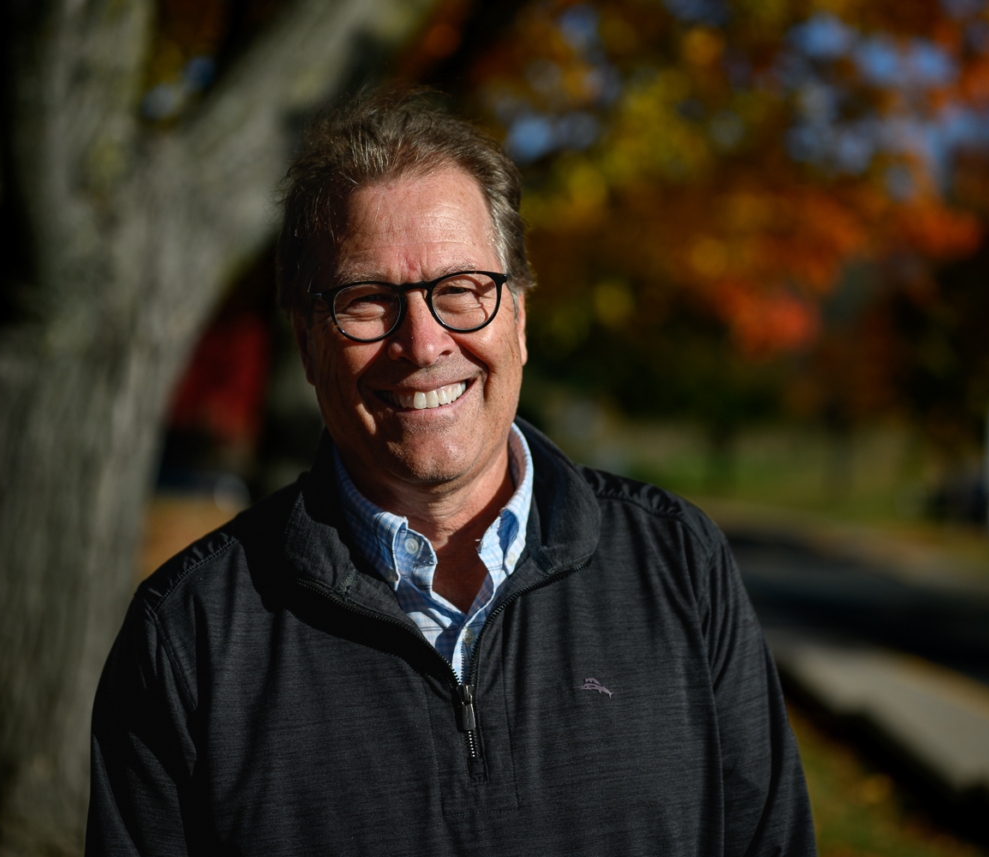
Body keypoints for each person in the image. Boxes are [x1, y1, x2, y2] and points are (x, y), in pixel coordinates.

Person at [86, 89, 816, 856]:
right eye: (367, 301)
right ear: (306, 342)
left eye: (462, 290)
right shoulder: (191, 636)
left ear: (520, 317)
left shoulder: (679, 570)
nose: (424, 342)